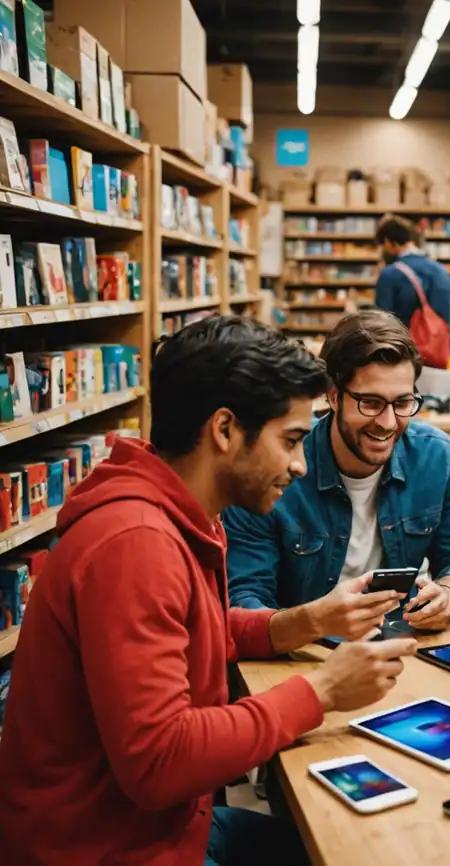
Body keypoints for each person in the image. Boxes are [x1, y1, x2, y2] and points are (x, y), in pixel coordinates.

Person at [0, 317, 419, 865]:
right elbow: (160, 762)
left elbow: (191, 630)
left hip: (161, 828)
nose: (298, 463)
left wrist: (308, 620)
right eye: (290, 440)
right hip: (105, 848)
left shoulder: (181, 510)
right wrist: (322, 691)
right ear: (224, 430)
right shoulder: (136, 545)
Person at [225, 310, 450, 632]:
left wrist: (449, 593)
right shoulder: (276, 467)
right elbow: (244, 598)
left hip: (401, 643)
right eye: (370, 403)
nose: (388, 423)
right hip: (302, 655)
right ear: (333, 397)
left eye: (402, 403)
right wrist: (314, 623)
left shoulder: (435, 456)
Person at [373, 213, 450, 333]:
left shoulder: (390, 274)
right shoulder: (441, 270)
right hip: (436, 348)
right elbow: (449, 317)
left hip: (404, 348)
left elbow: (381, 324)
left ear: (388, 242)